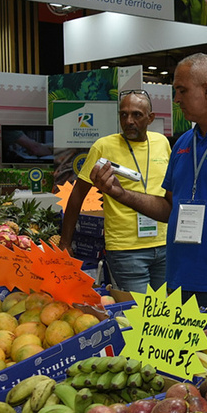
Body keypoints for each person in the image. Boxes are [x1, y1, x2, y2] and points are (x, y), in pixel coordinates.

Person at [91, 53, 207, 308]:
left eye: (182, 91)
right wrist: (121, 194)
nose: (176, 99)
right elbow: (169, 208)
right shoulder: (184, 143)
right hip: (178, 283)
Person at [59, 90, 170, 293]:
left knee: (162, 313)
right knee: (137, 313)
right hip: (126, 249)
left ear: (150, 118)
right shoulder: (103, 147)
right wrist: (65, 242)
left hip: (164, 245)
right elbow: (77, 195)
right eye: (123, 114)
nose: (128, 121)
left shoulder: (162, 143)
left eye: (136, 114)